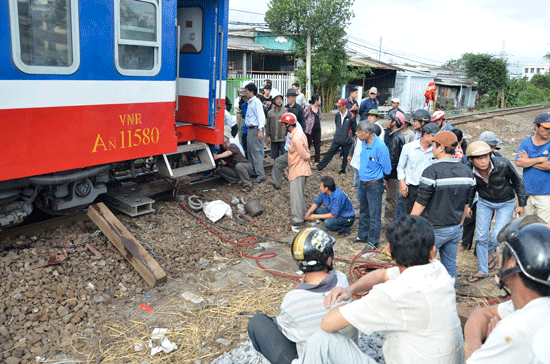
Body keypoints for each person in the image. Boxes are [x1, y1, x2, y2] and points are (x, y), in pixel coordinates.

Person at [295, 215, 465, 364]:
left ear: (389, 249)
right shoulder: (438, 270)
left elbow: (327, 323)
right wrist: (350, 290)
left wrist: (349, 305)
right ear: (432, 252)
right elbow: (382, 275)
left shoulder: (395, 294)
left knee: (321, 340)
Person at [248, 228, 357, 364]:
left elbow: (284, 331)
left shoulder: (292, 301)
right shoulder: (342, 282)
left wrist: (298, 290)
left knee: (258, 322)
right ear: (328, 260)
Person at [464, 215, 550, 363]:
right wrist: (474, 344)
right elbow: (481, 314)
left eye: (505, 251)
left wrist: (490, 344)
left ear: (512, 263)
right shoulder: (534, 303)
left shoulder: (513, 330)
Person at [411, 131, 476, 281]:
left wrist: (409, 225)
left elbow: (421, 202)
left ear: (441, 148)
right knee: (450, 266)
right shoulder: (467, 171)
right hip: (455, 228)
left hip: (434, 230)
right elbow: (467, 202)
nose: (432, 148)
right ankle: (449, 297)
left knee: (423, 266)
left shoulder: (431, 172)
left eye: (434, 145)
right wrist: (459, 225)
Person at [465, 141, 528, 283]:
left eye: (486, 157)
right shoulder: (468, 169)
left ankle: (486, 252)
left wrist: (522, 203)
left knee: (497, 237)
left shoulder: (503, 164)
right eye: (479, 158)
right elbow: (471, 187)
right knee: (480, 237)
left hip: (506, 202)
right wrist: (469, 204)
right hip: (484, 202)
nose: (483, 161)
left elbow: (518, 182)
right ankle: (483, 270)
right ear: (471, 159)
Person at [348, 121, 391, 250]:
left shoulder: (380, 147)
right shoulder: (364, 143)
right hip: (363, 183)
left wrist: (376, 175)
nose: (357, 135)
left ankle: (373, 242)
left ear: (367, 132)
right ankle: (362, 235)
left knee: (374, 214)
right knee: (363, 211)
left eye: (359, 132)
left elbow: (387, 169)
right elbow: (370, 163)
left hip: (374, 185)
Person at [396, 123, 438, 215]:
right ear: (426, 134)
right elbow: (400, 167)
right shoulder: (409, 148)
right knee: (408, 216)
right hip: (411, 189)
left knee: (426, 216)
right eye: (433, 136)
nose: (435, 139)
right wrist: (402, 183)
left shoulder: (436, 150)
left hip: (428, 189)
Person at [515, 113, 550, 224]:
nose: (548, 131)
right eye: (545, 128)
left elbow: (548, 166)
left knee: (544, 227)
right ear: (536, 126)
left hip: (546, 194)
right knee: (526, 227)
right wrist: (540, 159)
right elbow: (519, 162)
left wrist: (529, 161)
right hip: (527, 193)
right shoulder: (526, 142)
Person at [281, 113, 311, 226]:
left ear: (288, 125)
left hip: (299, 169)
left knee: (296, 195)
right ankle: (302, 215)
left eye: (283, 124)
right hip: (300, 169)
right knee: (299, 194)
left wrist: (308, 157)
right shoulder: (297, 133)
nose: (282, 126)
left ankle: (298, 219)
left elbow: (305, 155)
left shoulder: (296, 138)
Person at [312, 98, 355, 175]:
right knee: (330, 152)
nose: (338, 108)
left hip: (347, 140)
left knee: (345, 156)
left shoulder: (351, 116)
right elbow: (337, 125)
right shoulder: (338, 115)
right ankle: (320, 166)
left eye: (339, 106)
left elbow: (354, 129)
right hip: (337, 138)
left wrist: (350, 137)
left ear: (344, 106)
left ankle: (343, 170)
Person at [382, 110, 405, 226]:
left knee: (391, 200)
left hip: (393, 175)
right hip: (393, 173)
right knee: (391, 199)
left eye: (390, 119)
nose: (388, 121)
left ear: (395, 122)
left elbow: (392, 160)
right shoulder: (395, 135)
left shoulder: (396, 137)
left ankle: (389, 225)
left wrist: (385, 176)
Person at [243, 83, 266, 183]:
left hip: (256, 129)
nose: (245, 93)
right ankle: (254, 172)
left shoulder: (256, 102)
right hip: (251, 129)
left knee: (256, 152)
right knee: (251, 151)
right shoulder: (251, 102)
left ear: (251, 92)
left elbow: (261, 116)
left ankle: (260, 174)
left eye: (246, 91)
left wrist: (260, 130)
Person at [265, 91, 288, 160]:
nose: (279, 101)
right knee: (275, 157)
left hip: (283, 138)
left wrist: (286, 135)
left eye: (280, 99)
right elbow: (268, 125)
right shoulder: (270, 113)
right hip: (273, 138)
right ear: (274, 101)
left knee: (284, 156)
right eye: (277, 99)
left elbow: (288, 124)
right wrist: (268, 136)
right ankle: (276, 170)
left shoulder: (285, 111)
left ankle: (285, 171)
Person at [303, 94, 322, 164]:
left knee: (317, 146)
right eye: (319, 99)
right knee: (307, 146)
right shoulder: (308, 109)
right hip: (309, 131)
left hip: (317, 130)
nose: (320, 101)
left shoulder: (319, 109)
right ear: (316, 101)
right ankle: (307, 160)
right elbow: (303, 118)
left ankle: (317, 161)